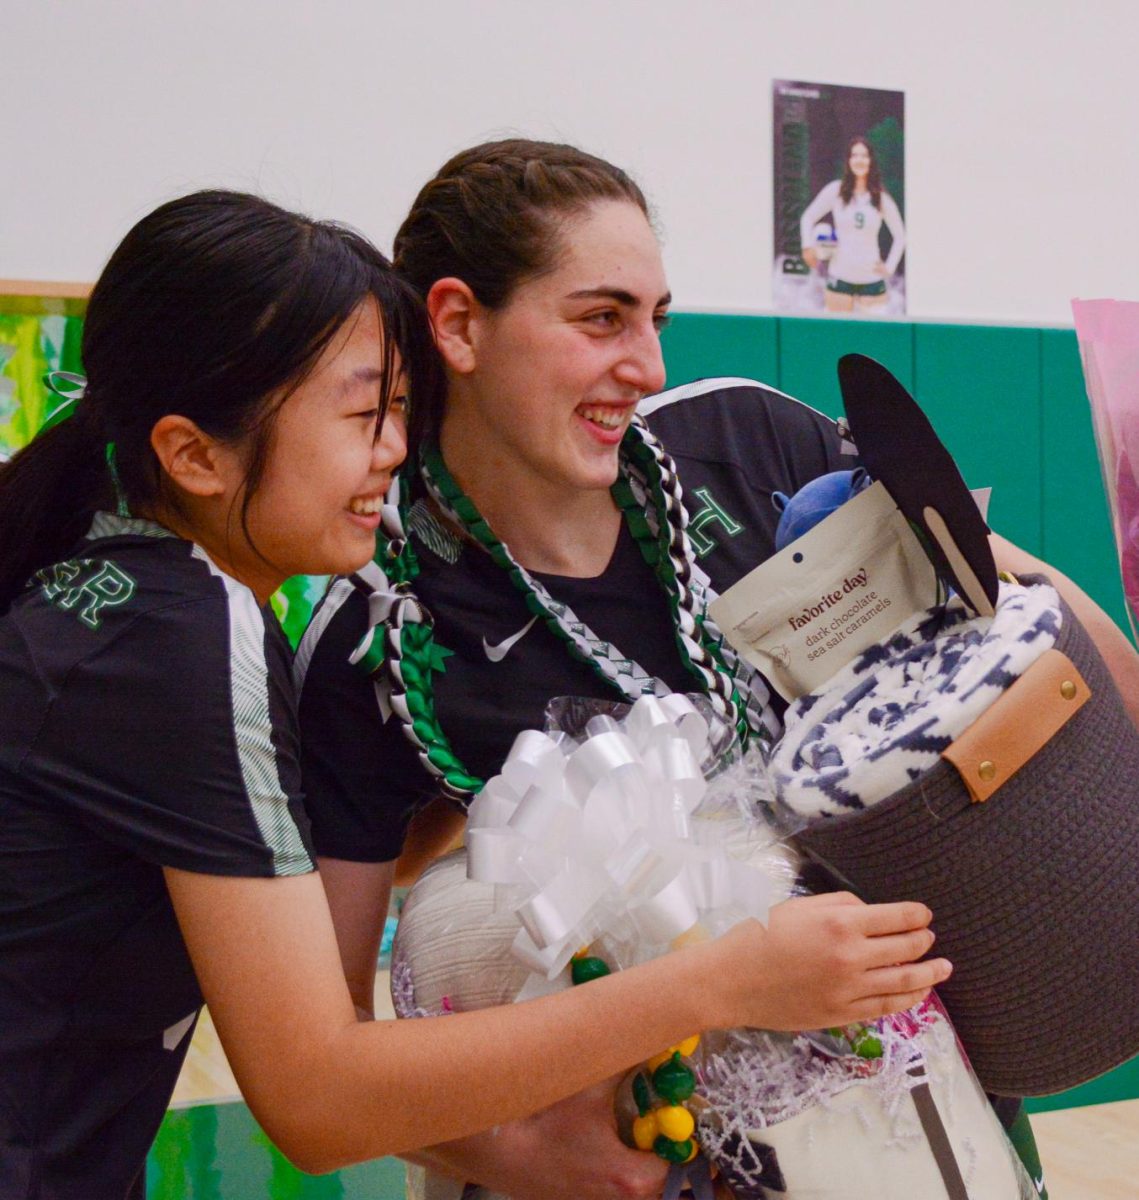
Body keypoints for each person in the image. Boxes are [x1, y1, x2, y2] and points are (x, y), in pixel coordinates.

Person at [0, 189, 950, 1200]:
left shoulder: (109, 588)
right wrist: (719, 982)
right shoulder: (193, 629)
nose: (394, 449)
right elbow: (315, 1093)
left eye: (399, 410)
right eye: (362, 415)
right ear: (191, 455)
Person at [799, 135, 906, 313]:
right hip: (840, 276)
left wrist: (889, 267)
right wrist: (807, 246)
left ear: (871, 161)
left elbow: (900, 236)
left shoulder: (881, 198)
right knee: (837, 336)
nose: (859, 160)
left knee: (872, 337)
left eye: (864, 156)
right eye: (854, 155)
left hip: (871, 279)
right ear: (848, 161)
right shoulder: (835, 191)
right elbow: (808, 217)